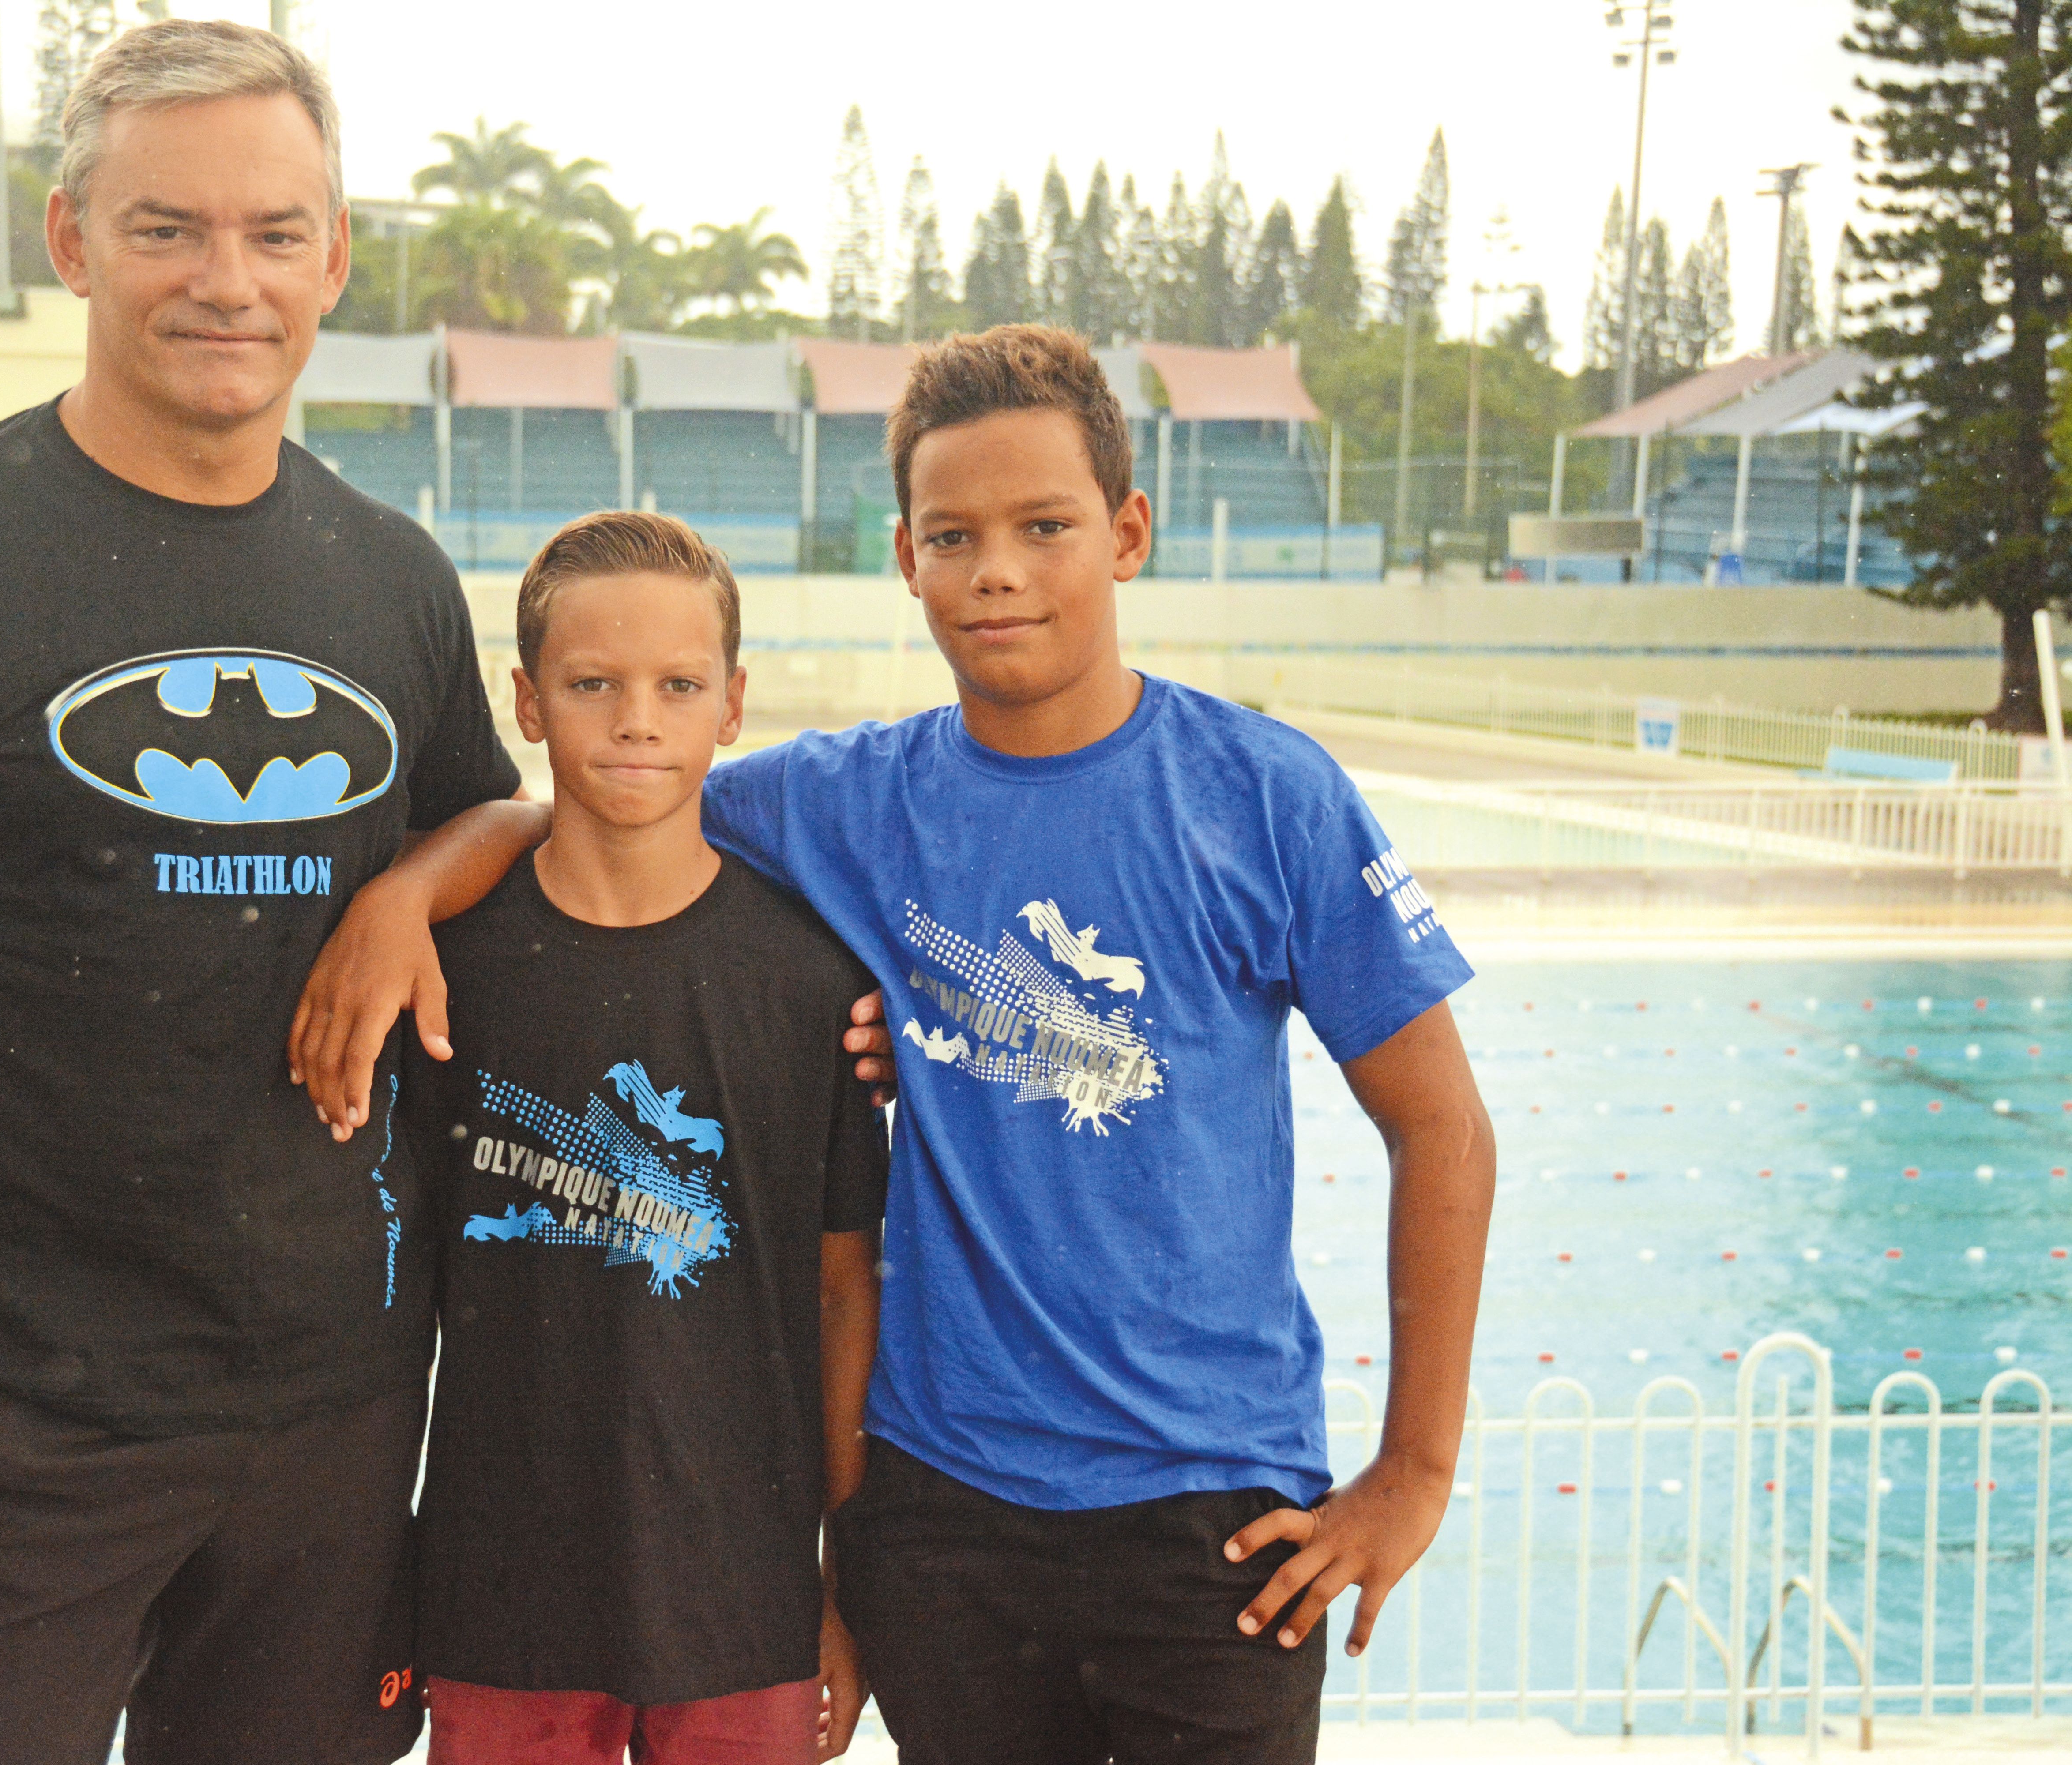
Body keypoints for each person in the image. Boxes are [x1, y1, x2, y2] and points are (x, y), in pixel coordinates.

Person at [297, 325, 1495, 1764]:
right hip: (944, 1512)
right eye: (953, 535)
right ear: (907, 560)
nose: (996, 569)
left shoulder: (1264, 797)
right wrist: (407, 893)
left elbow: (1443, 1126)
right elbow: (605, 795)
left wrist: (1416, 1471)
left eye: (1043, 528)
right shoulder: (848, 801)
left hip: (1211, 1509)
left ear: (1126, 535)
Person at [0, 23, 524, 1763]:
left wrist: (406, 888)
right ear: (72, 242)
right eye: (168, 229)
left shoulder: (391, 582)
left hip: (335, 1424)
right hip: (4, 1434)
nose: (229, 280)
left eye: (277, 234)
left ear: (333, 256)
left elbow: (497, 830)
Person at [406, 511, 887, 1765]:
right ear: (527, 701)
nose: (637, 720)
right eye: (593, 685)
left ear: (733, 706)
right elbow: (396, 1305)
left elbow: (845, 1296)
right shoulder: (450, 979)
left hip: (743, 1603)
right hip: (499, 1600)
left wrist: (846, 1580)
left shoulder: (809, 984)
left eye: (678, 686)